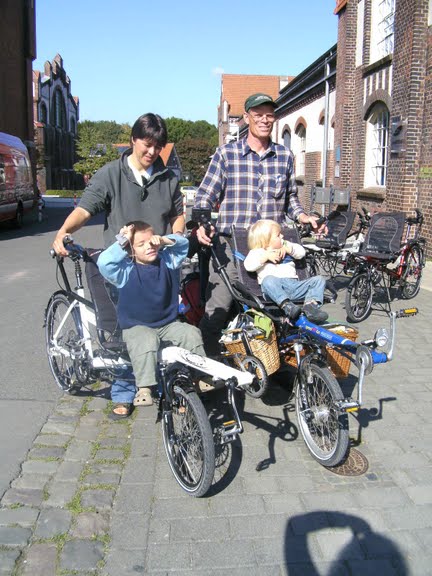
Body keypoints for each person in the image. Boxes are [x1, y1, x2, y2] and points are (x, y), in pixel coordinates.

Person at [52, 113, 185, 418]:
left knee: (164, 324)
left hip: (158, 265)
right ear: (133, 141)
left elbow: (177, 213)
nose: (152, 151)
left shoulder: (169, 178)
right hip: (125, 265)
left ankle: (163, 386)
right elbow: (86, 208)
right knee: (121, 327)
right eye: (147, 144)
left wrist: (176, 236)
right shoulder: (111, 174)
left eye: (158, 146)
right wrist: (64, 231)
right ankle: (124, 390)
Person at [193, 92, 325, 355]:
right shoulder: (227, 154)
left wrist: (304, 217)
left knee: (278, 304)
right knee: (221, 304)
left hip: (270, 247)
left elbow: (290, 200)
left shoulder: (284, 156)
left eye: (269, 115)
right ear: (247, 118)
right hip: (232, 244)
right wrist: (201, 223)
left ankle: (270, 362)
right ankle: (206, 366)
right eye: (258, 115)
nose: (265, 120)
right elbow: (204, 196)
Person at [97, 221, 205, 419]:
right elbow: (104, 263)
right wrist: (123, 240)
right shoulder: (125, 270)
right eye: (141, 244)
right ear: (130, 250)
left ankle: (200, 376)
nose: (149, 246)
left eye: (151, 241)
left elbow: (183, 245)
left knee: (191, 333)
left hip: (168, 324)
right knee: (146, 341)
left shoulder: (168, 261)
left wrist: (164, 240)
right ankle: (144, 387)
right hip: (136, 326)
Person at [244, 219, 328, 324]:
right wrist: (266, 256)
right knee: (268, 280)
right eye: (278, 235)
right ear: (265, 240)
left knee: (319, 280)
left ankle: (310, 306)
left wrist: (288, 248)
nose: (282, 236)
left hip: (294, 286)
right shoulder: (257, 252)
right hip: (274, 291)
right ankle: (287, 306)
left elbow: (301, 252)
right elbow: (249, 265)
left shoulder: (286, 245)